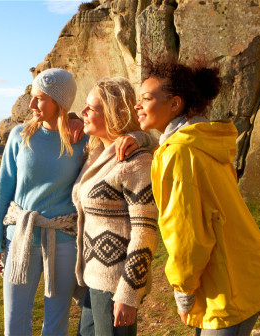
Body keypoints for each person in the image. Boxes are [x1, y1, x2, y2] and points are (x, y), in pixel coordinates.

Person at [0, 68, 154, 336]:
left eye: (40, 98)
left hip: (64, 239)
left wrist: (137, 137)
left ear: (60, 102)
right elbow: (2, 191)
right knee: (14, 320)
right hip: (20, 236)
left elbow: (120, 135)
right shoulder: (20, 136)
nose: (32, 104)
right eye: (33, 96)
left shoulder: (84, 139)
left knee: (56, 321)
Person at [134, 58, 260, 336]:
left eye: (146, 98)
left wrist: (183, 292)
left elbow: (186, 234)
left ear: (175, 104)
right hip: (244, 269)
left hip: (227, 287)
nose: (137, 106)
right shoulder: (204, 140)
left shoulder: (178, 153)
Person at [72, 77, 159, 336]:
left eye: (91, 108)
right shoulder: (97, 152)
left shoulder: (135, 160)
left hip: (115, 283)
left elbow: (145, 232)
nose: (83, 113)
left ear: (113, 113)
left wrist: (128, 293)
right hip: (93, 278)